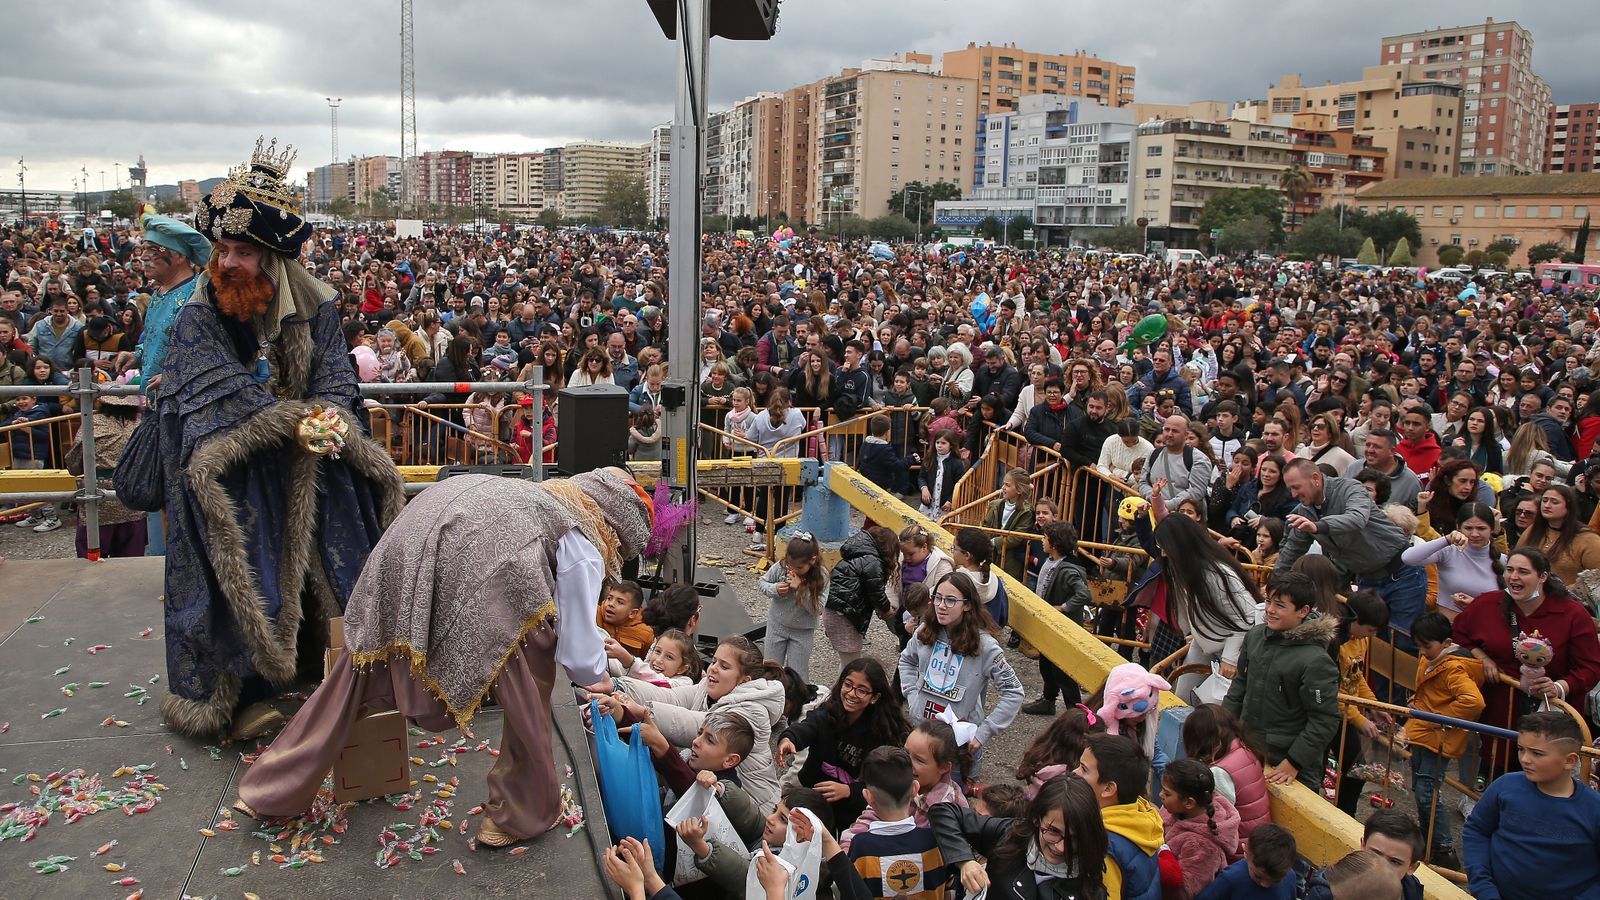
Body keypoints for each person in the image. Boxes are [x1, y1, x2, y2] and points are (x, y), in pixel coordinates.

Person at [116, 140, 408, 739]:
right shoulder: (200, 311)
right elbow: (209, 384)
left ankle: (337, 663)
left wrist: (328, 418)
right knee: (245, 567)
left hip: (309, 456)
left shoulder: (315, 306)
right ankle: (241, 693)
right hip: (237, 464)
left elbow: (335, 373)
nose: (227, 263)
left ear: (272, 259)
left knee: (340, 544)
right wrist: (286, 421)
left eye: (243, 252)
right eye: (222, 249)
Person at [236, 467, 651, 847]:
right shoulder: (582, 539)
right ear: (615, 529)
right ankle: (517, 814)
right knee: (531, 677)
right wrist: (602, 675)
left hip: (413, 535)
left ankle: (272, 789)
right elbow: (576, 649)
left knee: (355, 673)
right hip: (475, 557)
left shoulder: (537, 496)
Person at [1451, 547, 1600, 770]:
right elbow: (1459, 634)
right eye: (1509, 570)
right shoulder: (1487, 603)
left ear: (1543, 576)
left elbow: (1590, 667)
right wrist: (1482, 657)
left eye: (1523, 571)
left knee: (1540, 772)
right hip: (1498, 712)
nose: (1514, 577)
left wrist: (1559, 687)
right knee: (1497, 770)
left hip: (1549, 716)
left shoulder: (1572, 614)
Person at [1275, 459, 1426, 650]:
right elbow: (1293, 548)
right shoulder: (1305, 510)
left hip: (1402, 573)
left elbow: (1357, 518)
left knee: (1401, 642)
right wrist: (1275, 584)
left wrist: (1319, 526)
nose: (1293, 494)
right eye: (1290, 489)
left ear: (1315, 478)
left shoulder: (1350, 488)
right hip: (1368, 578)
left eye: (1297, 487)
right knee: (1371, 643)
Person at [1222, 571, 1342, 792]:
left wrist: (1294, 761)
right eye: (1268, 601)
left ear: (1303, 611)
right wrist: (1223, 730)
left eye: (1279, 605)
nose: (1270, 610)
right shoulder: (1255, 637)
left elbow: (1324, 719)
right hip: (1248, 749)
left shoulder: (1315, 660)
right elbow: (1239, 687)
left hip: (1289, 765)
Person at [1463, 711, 1600, 900]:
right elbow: (1477, 830)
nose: (1525, 759)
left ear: (1570, 761)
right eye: (1521, 749)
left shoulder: (1594, 809)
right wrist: (1483, 887)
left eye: (1537, 753)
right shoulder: (1505, 786)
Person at [899, 572, 1025, 776]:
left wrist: (983, 733)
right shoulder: (925, 631)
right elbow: (907, 660)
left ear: (967, 605)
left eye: (950, 600)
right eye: (938, 598)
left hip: (958, 748)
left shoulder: (986, 646)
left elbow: (1014, 691)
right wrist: (913, 697)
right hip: (922, 734)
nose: (941, 605)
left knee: (953, 794)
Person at [777, 658, 910, 831]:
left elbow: (884, 784)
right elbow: (808, 726)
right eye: (848, 685)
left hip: (852, 811)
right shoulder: (829, 711)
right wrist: (789, 738)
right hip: (814, 794)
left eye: (861, 690)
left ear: (875, 697)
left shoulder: (882, 733)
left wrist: (849, 791)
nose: (851, 693)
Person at [930, 774, 1108, 900]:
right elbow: (944, 812)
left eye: (1074, 839)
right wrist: (964, 861)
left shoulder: (1091, 890)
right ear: (1036, 819)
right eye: (1053, 831)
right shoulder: (1010, 834)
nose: (1061, 847)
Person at [1402, 611, 1484, 871]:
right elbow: (1427, 692)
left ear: (1447, 643)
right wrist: (1416, 702)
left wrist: (1441, 718)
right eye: (1419, 646)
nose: (1422, 652)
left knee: (1427, 793)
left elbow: (1473, 701)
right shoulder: (1433, 659)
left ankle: (1443, 848)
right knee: (1423, 790)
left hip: (1438, 738)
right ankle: (1429, 842)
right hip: (1424, 733)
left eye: (1427, 646)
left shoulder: (1453, 667)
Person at [1151, 513, 1259, 703]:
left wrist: (1230, 659)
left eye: (1164, 547)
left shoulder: (1215, 573)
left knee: (1219, 707)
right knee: (1182, 700)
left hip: (1235, 649)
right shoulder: (1182, 571)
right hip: (1206, 644)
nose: (1163, 554)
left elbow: (1247, 617)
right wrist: (1198, 632)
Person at [845, 746, 957, 899]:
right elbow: (949, 889)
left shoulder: (861, 846)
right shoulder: (935, 841)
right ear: (915, 789)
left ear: (868, 797)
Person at [1074, 732, 1165, 900]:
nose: (1074, 772)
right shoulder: (1141, 814)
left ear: (1108, 788)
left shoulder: (1103, 846)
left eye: (1084, 769)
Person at [1022, 521, 1093, 715]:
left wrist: (1063, 607)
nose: (1042, 541)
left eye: (1045, 538)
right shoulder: (1052, 561)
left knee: (1062, 671)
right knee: (1046, 665)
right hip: (1050, 625)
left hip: (1063, 627)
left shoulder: (1068, 569)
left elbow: (1084, 594)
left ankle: (1075, 710)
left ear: (1054, 544)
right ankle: (1048, 700)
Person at [1181, 704, 1271, 843]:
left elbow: (1215, 821)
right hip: (1256, 839)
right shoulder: (1244, 748)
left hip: (1238, 847)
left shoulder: (1219, 773)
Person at [1401, 501, 1503, 618]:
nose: (1475, 534)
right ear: (1458, 527)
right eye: (1468, 528)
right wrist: (1447, 539)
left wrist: (1475, 605)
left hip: (1486, 624)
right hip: (1448, 625)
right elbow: (1407, 558)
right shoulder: (1448, 551)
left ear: (1492, 529)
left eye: (1481, 528)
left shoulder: (1503, 560)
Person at [1160, 758, 1242, 900]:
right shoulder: (1178, 809)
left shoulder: (1204, 847)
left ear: (1189, 802)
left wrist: (1158, 859)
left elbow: (1184, 892)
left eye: (1167, 794)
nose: (1160, 795)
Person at [824, 526, 896, 667]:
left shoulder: (857, 555)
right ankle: (844, 682)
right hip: (845, 614)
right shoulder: (872, 561)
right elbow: (876, 592)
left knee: (848, 659)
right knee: (851, 663)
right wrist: (886, 609)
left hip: (836, 610)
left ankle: (843, 680)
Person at [759, 533, 827, 675]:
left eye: (799, 568)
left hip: (803, 631)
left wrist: (801, 590)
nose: (793, 571)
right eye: (791, 566)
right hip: (777, 625)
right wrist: (775, 589)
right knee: (771, 670)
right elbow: (762, 582)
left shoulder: (822, 576)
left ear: (812, 560)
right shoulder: (781, 567)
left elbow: (818, 609)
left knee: (797, 673)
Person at [1518, 484, 1600, 587]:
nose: (1547, 505)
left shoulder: (1588, 539)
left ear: (1568, 506)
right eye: (1544, 500)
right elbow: (1515, 560)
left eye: (1554, 502)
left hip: (1567, 595)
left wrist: (1568, 591)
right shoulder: (1533, 530)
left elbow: (1597, 579)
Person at [1194, 823, 1297, 900]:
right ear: (1246, 853)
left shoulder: (1290, 877)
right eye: (1258, 876)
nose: (1265, 884)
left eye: (1275, 881)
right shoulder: (1230, 879)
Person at [982, 467, 1036, 582]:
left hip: (1010, 562)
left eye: (1007, 485)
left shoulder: (1027, 512)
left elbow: (1017, 537)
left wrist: (994, 542)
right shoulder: (995, 505)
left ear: (1019, 490)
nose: (1003, 488)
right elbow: (986, 526)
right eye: (1003, 484)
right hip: (990, 556)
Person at [596, 580, 655, 665]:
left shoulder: (645, 633)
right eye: (609, 598)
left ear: (632, 613)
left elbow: (645, 663)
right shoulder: (593, 615)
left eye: (620, 602)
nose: (611, 604)